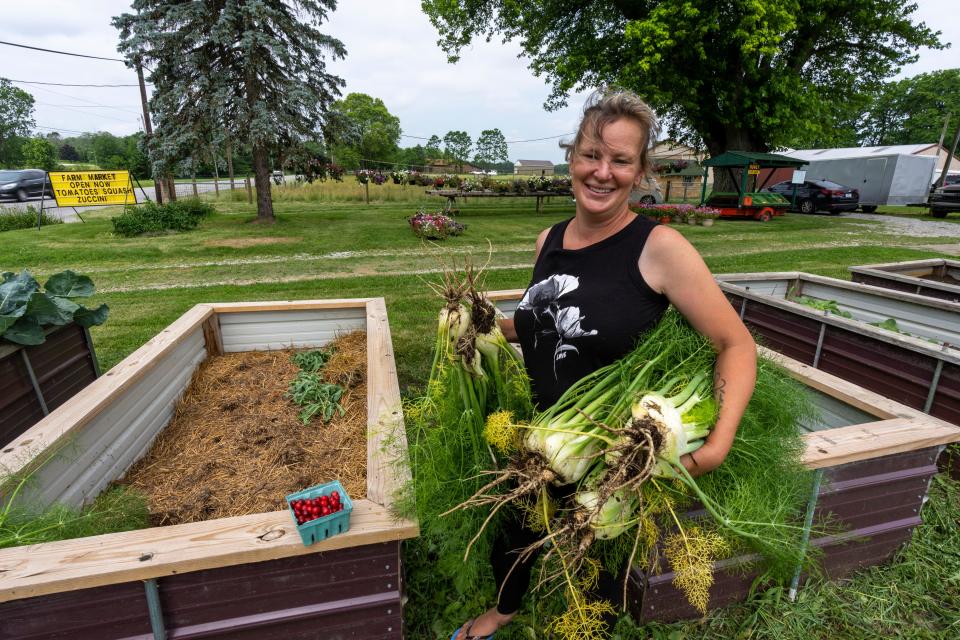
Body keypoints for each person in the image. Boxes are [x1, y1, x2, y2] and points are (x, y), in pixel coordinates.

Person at [451, 89, 757, 640]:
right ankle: (504, 613)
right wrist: (481, 331)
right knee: (514, 535)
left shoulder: (659, 247)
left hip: (613, 451)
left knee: (595, 575)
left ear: (640, 172)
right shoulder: (550, 240)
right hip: (544, 435)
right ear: (572, 157)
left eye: (620, 160)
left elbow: (735, 345)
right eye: (592, 154)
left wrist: (715, 447)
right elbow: (545, 319)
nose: (602, 172)